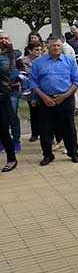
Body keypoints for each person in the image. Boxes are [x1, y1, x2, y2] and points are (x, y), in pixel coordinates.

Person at [29, 36, 78, 166]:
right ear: (48, 46)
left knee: (69, 127)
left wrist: (63, 96)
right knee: (45, 128)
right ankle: (47, 155)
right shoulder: (38, 63)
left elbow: (77, 81)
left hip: (66, 99)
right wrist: (44, 97)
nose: (56, 48)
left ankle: (73, 153)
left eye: (59, 45)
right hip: (46, 99)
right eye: (54, 46)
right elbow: (33, 83)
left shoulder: (69, 61)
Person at [0, 31, 19, 172]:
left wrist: (10, 50)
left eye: (5, 38)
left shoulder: (11, 55)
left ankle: (11, 159)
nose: (3, 41)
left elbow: (13, 74)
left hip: (3, 96)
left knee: (3, 129)